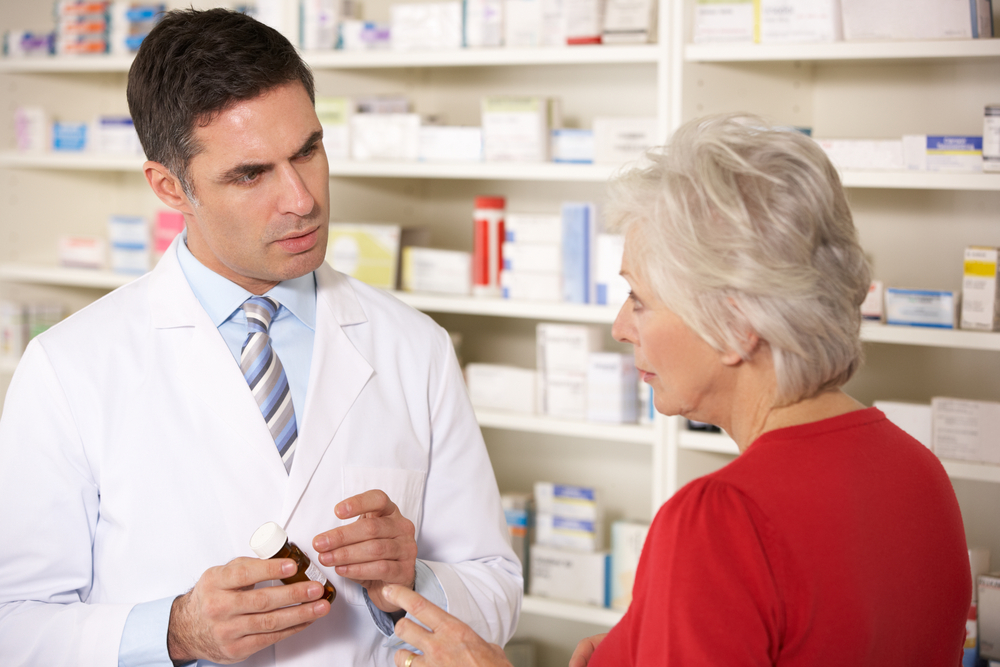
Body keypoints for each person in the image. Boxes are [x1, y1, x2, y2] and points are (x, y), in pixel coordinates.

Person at [0, 9, 521, 666]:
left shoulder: (415, 348)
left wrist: (412, 579)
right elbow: (13, 624)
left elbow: (495, 587)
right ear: (170, 187)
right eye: (251, 174)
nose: (301, 198)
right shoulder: (69, 367)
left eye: (308, 150)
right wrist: (173, 630)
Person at [374, 114, 973, 667]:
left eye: (640, 300)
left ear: (736, 326)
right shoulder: (916, 469)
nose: (620, 327)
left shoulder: (721, 521)